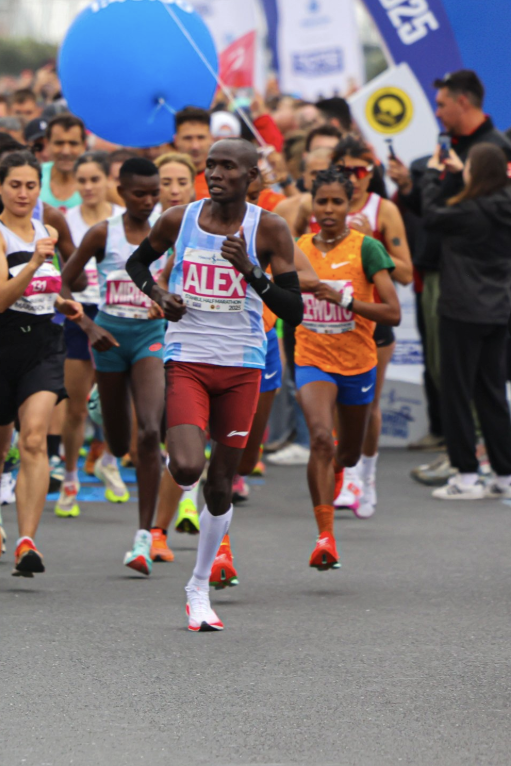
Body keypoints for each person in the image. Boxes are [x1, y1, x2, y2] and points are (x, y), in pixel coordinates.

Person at [125, 138, 307, 631]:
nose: (216, 173)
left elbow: (295, 310)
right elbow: (136, 264)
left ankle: (199, 586)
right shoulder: (178, 219)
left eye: (228, 166)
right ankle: (178, 503)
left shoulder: (268, 228)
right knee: (186, 467)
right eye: (211, 165)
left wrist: (251, 272)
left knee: (222, 485)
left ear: (251, 175)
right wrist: (161, 295)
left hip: (242, 365)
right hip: (187, 358)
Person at [0, 150, 79, 577]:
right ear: (0, 185)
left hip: (44, 344)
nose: (24, 193)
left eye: (32, 185)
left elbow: (43, 291)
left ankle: (28, 541)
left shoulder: (46, 229)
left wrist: (63, 302)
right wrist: (34, 260)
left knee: (33, 439)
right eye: (15, 184)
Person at [64, 158, 170, 574]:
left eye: (153, 193)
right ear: (120, 193)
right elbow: (64, 284)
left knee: (148, 431)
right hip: (107, 336)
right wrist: (87, 325)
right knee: (121, 442)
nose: (147, 201)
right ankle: (104, 417)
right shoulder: (102, 233)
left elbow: (179, 275)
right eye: (138, 194)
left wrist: (166, 297)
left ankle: (144, 536)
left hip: (150, 337)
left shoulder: (168, 231)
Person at [291, 167, 400, 567]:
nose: (330, 209)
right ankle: (325, 537)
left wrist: (345, 301)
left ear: (350, 203)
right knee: (321, 437)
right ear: (312, 204)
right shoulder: (298, 246)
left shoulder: (366, 248)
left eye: (338, 201)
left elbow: (393, 312)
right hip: (312, 359)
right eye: (322, 201)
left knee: (348, 455)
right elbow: (271, 296)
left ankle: (341, 470)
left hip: (357, 364)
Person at [421, 141, 511, 499]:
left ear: (477, 171)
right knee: (491, 392)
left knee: (457, 393)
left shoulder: (469, 211)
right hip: (498, 310)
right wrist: (460, 175)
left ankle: (467, 476)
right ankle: (504, 476)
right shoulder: (504, 207)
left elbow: (431, 214)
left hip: (461, 310)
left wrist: (433, 173)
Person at [54, 150, 116, 517]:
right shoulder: (66, 221)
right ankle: (71, 479)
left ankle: (108, 458)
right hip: (78, 316)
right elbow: (59, 274)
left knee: (116, 402)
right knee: (76, 407)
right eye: (83, 180)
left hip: (116, 314)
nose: (89, 187)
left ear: (108, 180)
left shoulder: (124, 220)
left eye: (96, 179)